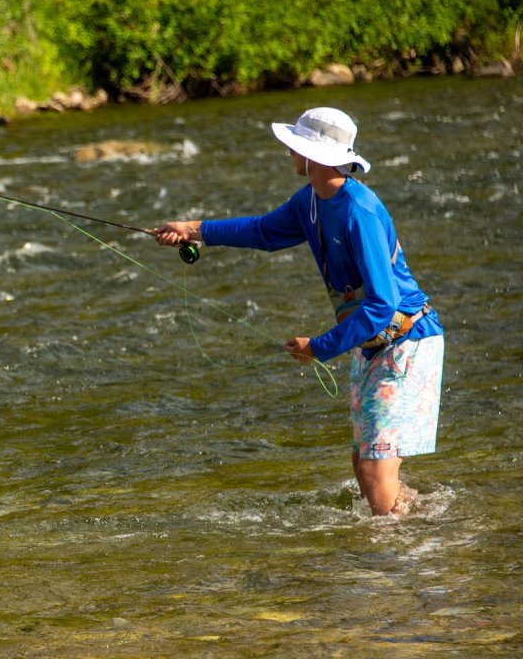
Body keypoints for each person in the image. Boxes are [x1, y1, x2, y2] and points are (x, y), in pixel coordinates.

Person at [154, 107, 444, 516]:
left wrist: (320, 347)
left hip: (406, 342)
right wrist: (193, 229)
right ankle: (409, 532)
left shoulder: (358, 212)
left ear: (314, 156)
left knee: (376, 467)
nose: (289, 154)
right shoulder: (310, 201)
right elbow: (262, 232)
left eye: (295, 147)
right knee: (365, 464)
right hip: (374, 341)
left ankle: (393, 566)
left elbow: (382, 304)